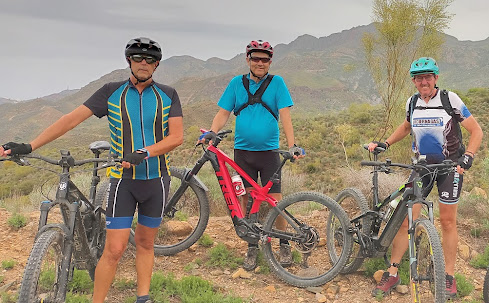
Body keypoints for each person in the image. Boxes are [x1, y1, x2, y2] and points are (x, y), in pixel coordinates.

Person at [1, 37, 183, 303]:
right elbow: (70, 120)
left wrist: (144, 152)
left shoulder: (168, 94)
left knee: (145, 243)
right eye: (137, 58)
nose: (143, 63)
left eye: (150, 60)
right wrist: (30, 145)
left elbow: (176, 137)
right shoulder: (111, 92)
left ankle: (143, 297)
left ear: (157, 65)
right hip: (123, 182)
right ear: (128, 61)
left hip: (157, 180)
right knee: (114, 249)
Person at [367, 57, 483, 299]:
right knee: (406, 219)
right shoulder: (412, 102)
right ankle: (393, 271)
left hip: (450, 168)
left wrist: (468, 156)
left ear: (436, 78)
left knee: (448, 222)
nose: (424, 81)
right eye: (419, 78)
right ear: (414, 81)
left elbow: (476, 130)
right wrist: (385, 143)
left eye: (428, 77)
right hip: (422, 168)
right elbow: (407, 126)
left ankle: (448, 277)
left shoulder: (450, 100)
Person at [199, 40, 303, 271]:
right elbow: (223, 112)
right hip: (243, 153)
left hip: (269, 153)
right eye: (255, 58)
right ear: (247, 60)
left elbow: (285, 115)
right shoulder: (237, 84)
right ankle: (252, 246)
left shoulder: (277, 83)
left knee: (276, 200)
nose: (260, 63)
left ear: (270, 62)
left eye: (264, 59)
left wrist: (293, 144)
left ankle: (284, 242)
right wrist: (212, 131)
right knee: (245, 199)